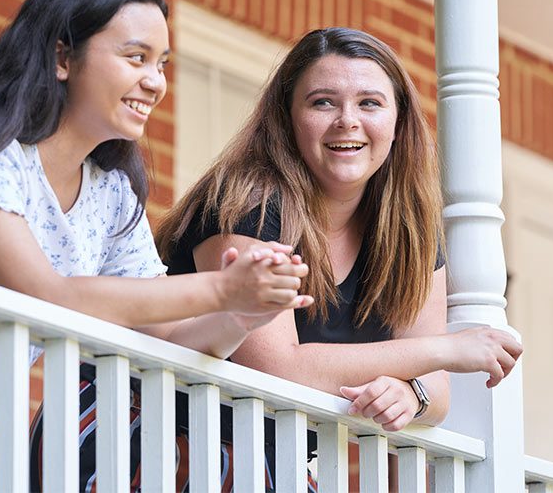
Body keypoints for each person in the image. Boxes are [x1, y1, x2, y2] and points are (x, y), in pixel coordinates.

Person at [0, 0, 310, 493]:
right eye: (135, 57)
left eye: (162, 63)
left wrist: (238, 316)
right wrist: (220, 286)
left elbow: (168, 335)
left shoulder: (110, 194)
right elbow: (41, 294)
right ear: (61, 57)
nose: (156, 81)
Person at [156, 27, 523, 488]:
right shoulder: (248, 204)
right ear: (287, 118)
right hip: (163, 443)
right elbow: (276, 368)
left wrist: (412, 392)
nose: (347, 120)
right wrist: (447, 350)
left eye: (369, 103)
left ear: (399, 123)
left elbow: (438, 392)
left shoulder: (409, 231)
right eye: (322, 102)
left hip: (272, 460)